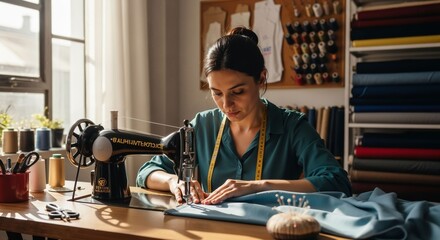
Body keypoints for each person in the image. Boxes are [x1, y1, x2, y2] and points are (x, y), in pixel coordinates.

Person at [136, 27, 352, 205]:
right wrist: (176, 183)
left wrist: (259, 186)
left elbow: (336, 181)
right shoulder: (202, 124)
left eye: (238, 92)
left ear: (261, 78)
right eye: (216, 93)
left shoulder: (291, 126)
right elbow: (148, 171)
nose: (226, 104)